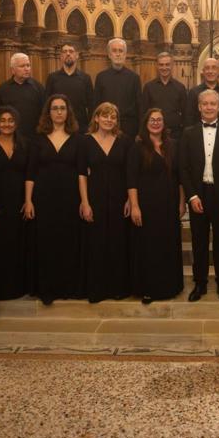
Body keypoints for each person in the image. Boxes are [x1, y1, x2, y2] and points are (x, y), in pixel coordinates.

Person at [178, 89, 219, 302]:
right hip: (198, 193)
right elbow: (183, 168)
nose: (208, 107)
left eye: (212, 104)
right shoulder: (187, 134)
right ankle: (200, 283)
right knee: (198, 240)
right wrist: (191, 196)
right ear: (198, 107)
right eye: (204, 103)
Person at [23, 95, 83, 304]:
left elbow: (81, 172)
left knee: (69, 240)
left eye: (62, 108)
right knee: (47, 241)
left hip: (70, 196)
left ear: (68, 112)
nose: (59, 112)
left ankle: (69, 285)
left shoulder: (77, 138)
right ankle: (48, 287)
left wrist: (83, 200)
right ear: (48, 112)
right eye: (55, 108)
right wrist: (28, 200)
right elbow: (30, 172)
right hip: (44, 196)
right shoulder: (38, 138)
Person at [128, 108, 185, 304]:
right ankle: (149, 288)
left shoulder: (173, 146)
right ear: (146, 123)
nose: (156, 123)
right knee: (149, 247)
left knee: (168, 244)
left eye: (159, 119)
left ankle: (170, 286)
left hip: (169, 204)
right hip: (147, 204)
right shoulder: (137, 147)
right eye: (152, 120)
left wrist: (181, 201)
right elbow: (131, 179)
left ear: (164, 123)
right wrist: (134, 206)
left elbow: (179, 176)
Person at [78, 102, 132, 302]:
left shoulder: (124, 141)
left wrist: (129, 199)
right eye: (105, 116)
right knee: (96, 243)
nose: (109, 120)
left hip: (119, 199)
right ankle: (97, 289)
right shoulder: (84, 142)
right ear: (97, 118)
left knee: (118, 243)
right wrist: (84, 202)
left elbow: (129, 173)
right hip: (95, 197)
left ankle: (118, 288)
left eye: (113, 117)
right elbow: (81, 174)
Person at [0, 105, 31, 299]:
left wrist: (28, 200)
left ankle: (20, 286)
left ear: (16, 123)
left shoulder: (25, 143)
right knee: (0, 244)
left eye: (10, 120)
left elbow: (30, 174)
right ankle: (1, 288)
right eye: (3, 121)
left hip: (20, 198)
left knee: (20, 242)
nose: (7, 124)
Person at [93, 38, 142, 139]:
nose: (118, 54)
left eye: (121, 51)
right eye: (114, 51)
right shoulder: (101, 77)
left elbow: (139, 106)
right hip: (106, 126)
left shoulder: (134, 78)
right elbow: (96, 105)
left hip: (129, 129)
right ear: (109, 55)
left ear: (125, 54)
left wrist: (140, 131)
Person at [44, 42, 94, 129]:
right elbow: (47, 104)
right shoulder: (52, 78)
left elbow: (91, 105)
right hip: (58, 126)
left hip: (80, 126)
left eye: (71, 51)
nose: (68, 54)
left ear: (77, 55)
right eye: (64, 51)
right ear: (61, 56)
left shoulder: (86, 78)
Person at [0, 52, 45, 139]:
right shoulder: (3, 89)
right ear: (12, 70)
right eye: (22, 66)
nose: (27, 69)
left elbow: (44, 111)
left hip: (35, 136)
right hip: (11, 136)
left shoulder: (38, 87)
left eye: (28, 65)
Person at [141, 51, 187, 139]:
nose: (164, 67)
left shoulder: (180, 88)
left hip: (175, 135)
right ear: (157, 66)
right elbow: (144, 113)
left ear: (172, 65)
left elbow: (185, 114)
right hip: (154, 135)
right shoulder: (148, 87)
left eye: (167, 64)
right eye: (161, 65)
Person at [186, 57, 219, 128]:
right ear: (203, 71)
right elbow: (189, 118)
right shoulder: (194, 92)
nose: (210, 71)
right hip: (198, 135)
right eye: (207, 68)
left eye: (214, 68)